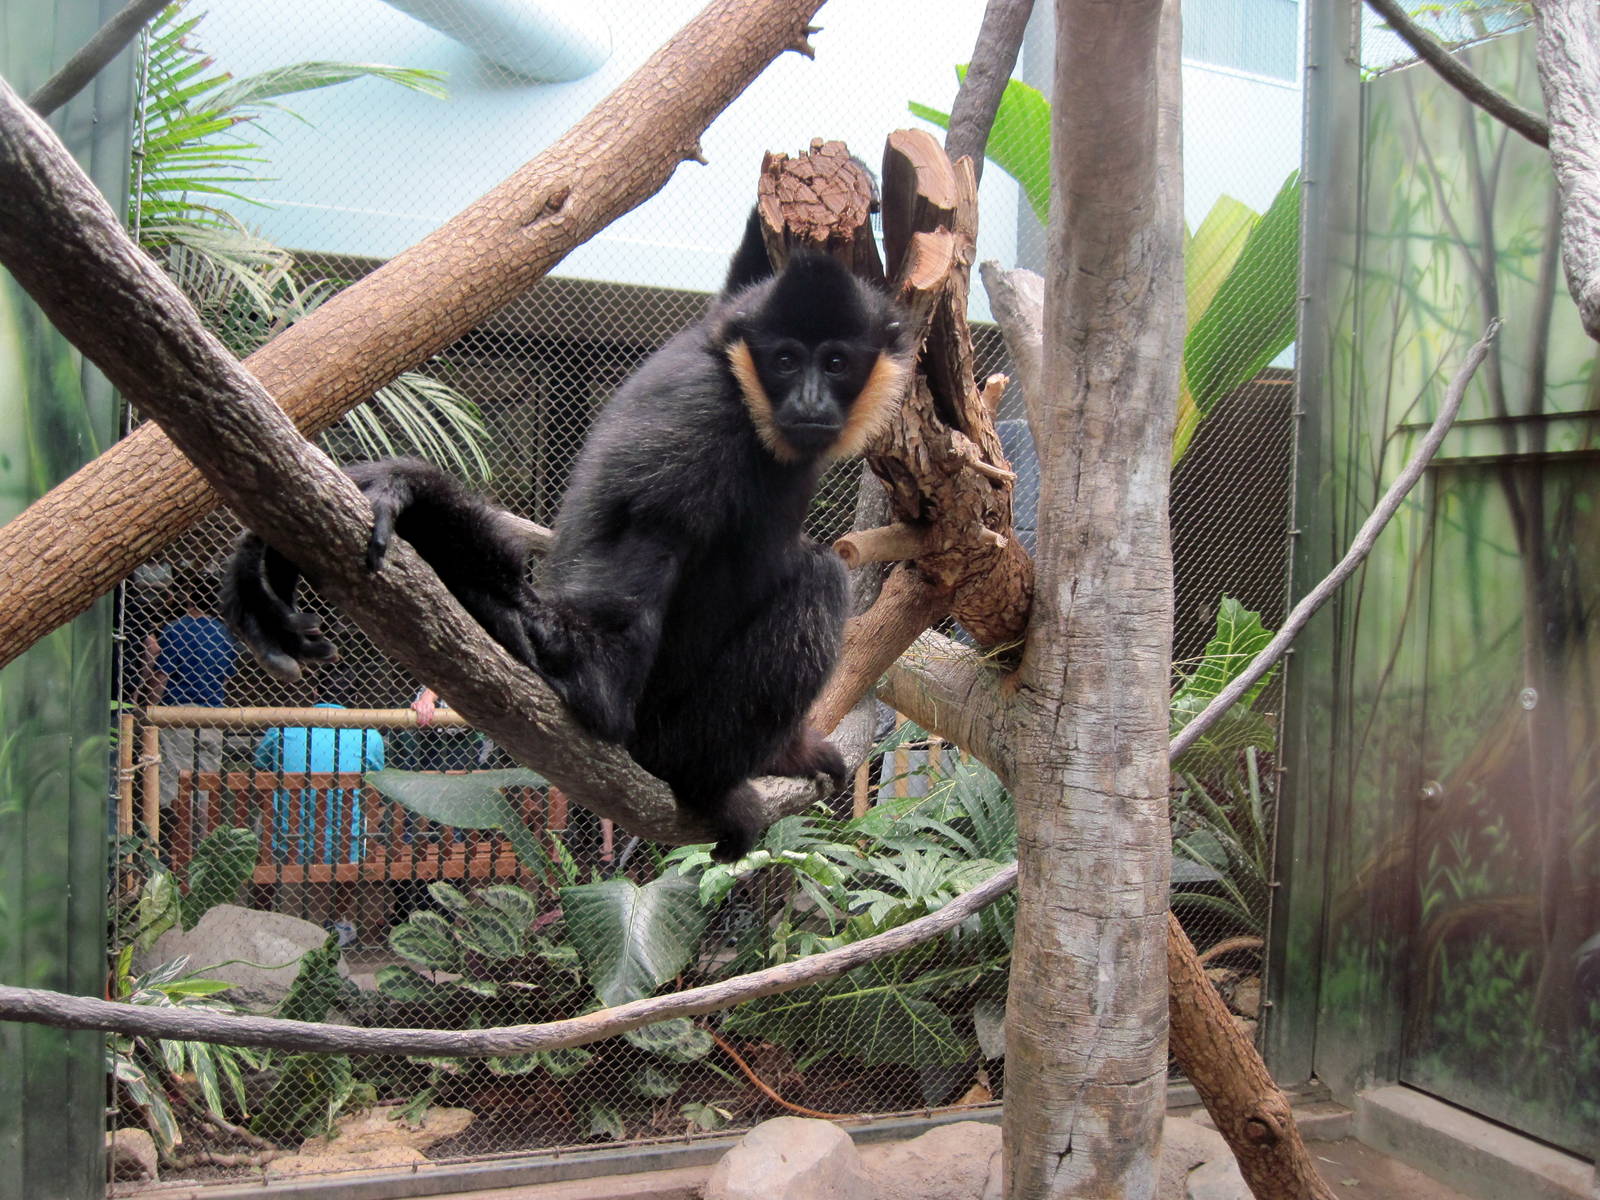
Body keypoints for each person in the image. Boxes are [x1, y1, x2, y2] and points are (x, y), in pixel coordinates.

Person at [145, 570, 238, 809]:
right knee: (206, 785)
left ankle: (170, 838)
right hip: (213, 714)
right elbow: (225, 678)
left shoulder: (175, 630)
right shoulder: (225, 634)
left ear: (189, 597)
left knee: (172, 782)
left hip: (178, 713)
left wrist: (150, 709)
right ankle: (199, 838)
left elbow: (162, 676)